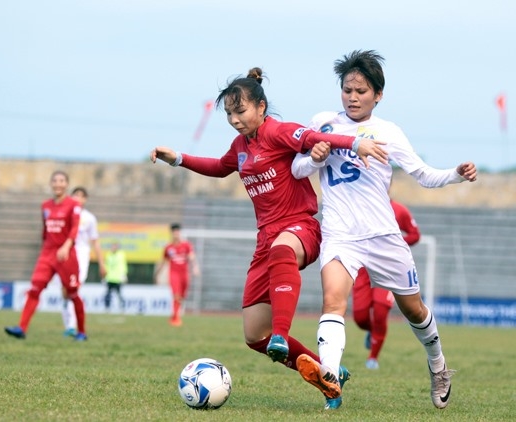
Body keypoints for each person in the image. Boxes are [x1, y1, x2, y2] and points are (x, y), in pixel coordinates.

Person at [150, 67, 388, 408]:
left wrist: (356, 142)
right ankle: (327, 376)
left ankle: (282, 333)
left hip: (300, 228)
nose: (234, 119)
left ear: (261, 107)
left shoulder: (279, 131)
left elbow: (316, 139)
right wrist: (180, 159)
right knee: (253, 335)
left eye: (240, 111)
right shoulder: (240, 145)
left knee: (281, 256)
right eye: (230, 114)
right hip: (266, 238)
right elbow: (220, 166)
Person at [291, 50, 477, 409]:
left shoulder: (388, 131)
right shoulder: (322, 123)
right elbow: (297, 171)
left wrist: (455, 173)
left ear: (378, 94)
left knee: (414, 311)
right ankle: (329, 377)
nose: (353, 97)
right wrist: (311, 158)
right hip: (339, 233)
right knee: (333, 301)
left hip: (382, 236)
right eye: (347, 89)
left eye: (361, 91)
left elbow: (423, 174)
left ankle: (437, 365)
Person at [5, 170, 88, 341]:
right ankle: (21, 328)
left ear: (66, 184)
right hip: (48, 253)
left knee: (72, 293)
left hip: (66, 254)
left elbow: (74, 228)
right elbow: (45, 230)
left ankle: (81, 332)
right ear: (51, 184)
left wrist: (66, 246)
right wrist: (44, 250)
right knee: (35, 289)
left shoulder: (74, 205)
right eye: (55, 181)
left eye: (61, 181)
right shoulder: (45, 206)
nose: (58, 184)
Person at [354, 198, 421, 370]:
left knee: (380, 310)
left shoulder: (399, 210)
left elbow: (415, 234)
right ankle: (372, 331)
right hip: (364, 268)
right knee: (360, 316)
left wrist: (394, 246)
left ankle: (373, 358)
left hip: (388, 266)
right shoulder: (360, 205)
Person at [61, 186, 106, 337]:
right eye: (76, 195)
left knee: (75, 289)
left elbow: (95, 242)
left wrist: (101, 263)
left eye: (82, 196)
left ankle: (73, 326)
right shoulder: (64, 213)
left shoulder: (89, 218)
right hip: (65, 253)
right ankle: (68, 324)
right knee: (65, 291)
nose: (78, 198)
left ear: (85, 200)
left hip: (81, 255)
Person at [153, 223, 199, 327]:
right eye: (174, 232)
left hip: (184, 274)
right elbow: (164, 262)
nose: (176, 234)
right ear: (171, 233)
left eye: (177, 232)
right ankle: (175, 318)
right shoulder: (168, 247)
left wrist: (195, 267)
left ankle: (175, 315)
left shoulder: (186, 245)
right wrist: (157, 274)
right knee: (176, 295)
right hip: (174, 274)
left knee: (182, 296)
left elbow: (191, 257)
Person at [104, 242, 128, 312]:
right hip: (110, 278)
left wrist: (124, 274)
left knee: (119, 294)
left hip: (118, 278)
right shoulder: (108, 255)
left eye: (115, 247)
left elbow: (123, 265)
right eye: (112, 246)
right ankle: (107, 308)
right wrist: (105, 276)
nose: (113, 248)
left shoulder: (121, 255)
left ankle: (122, 308)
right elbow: (106, 266)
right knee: (108, 294)